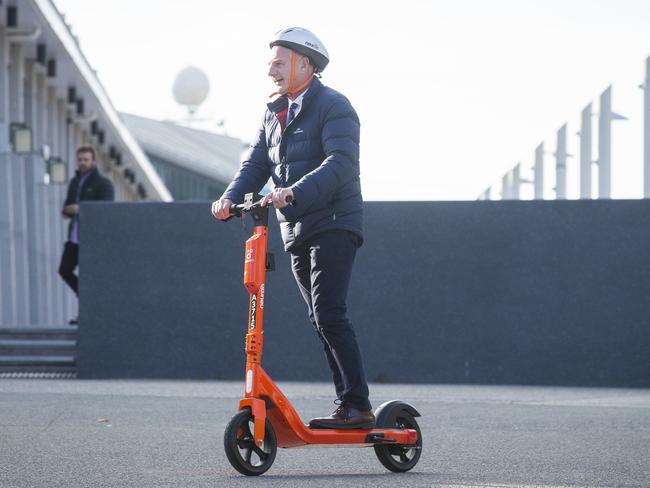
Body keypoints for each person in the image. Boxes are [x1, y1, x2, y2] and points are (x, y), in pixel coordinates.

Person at [212, 27, 374, 429]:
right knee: (320, 318)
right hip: (297, 228)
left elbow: (340, 163)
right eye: (270, 65)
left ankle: (358, 406)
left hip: (334, 221)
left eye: (278, 64)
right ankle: (349, 404)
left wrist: (293, 192)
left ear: (305, 63)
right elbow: (255, 164)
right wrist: (230, 197)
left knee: (329, 313)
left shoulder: (335, 106)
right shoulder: (273, 112)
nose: (271, 73)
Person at [59, 145, 114, 324]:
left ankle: (86, 316)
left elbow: (106, 210)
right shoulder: (75, 182)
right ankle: (86, 299)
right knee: (64, 270)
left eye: (86, 159)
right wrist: (68, 210)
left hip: (92, 240)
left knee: (89, 277)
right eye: (80, 159)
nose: (82, 163)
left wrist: (80, 209)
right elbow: (67, 206)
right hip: (74, 238)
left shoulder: (103, 184)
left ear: (93, 162)